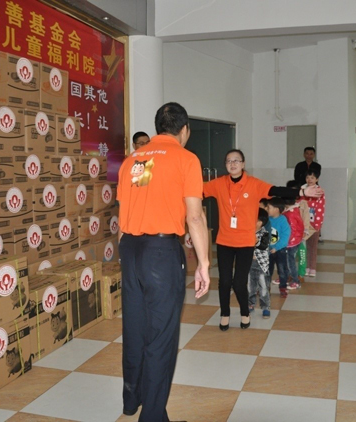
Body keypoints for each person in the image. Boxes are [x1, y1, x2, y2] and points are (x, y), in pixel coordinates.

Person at [117, 102, 210, 421]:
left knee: (135, 329)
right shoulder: (186, 159)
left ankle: (132, 399)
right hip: (160, 253)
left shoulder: (133, 160)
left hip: (130, 249)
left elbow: (122, 216)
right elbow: (195, 217)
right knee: (161, 338)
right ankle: (153, 416)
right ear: (184, 130)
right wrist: (204, 263)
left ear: (158, 127)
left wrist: (127, 258)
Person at [203, 150, 323, 330]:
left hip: (245, 241)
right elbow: (197, 190)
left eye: (236, 160)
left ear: (243, 164)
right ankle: (225, 314)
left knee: (239, 283)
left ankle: (244, 312)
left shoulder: (253, 184)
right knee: (225, 282)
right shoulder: (219, 184)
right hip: (224, 241)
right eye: (229, 161)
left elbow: (276, 190)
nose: (232, 164)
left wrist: (302, 191)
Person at [248, 208, 272, 318]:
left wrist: (254, 239)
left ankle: (265, 307)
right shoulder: (247, 232)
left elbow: (263, 246)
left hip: (262, 265)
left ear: (259, 222)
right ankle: (250, 304)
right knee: (250, 287)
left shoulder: (265, 234)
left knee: (263, 287)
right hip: (249, 265)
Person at [301, 169, 325, 277]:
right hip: (303, 223)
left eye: (312, 177)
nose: (309, 180)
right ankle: (305, 267)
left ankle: (312, 268)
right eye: (307, 177)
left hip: (314, 223)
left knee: (313, 247)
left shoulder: (320, 191)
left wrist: (317, 224)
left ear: (317, 179)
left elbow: (320, 208)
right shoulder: (302, 190)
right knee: (303, 247)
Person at [267, 198, 291, 298]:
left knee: (282, 270)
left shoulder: (283, 220)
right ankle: (265, 288)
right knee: (267, 270)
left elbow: (285, 236)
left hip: (280, 250)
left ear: (276, 209)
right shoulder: (267, 220)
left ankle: (283, 287)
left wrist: (277, 247)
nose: (267, 209)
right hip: (268, 250)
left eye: (269, 207)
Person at [283, 196, 304, 290]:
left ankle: (296, 281)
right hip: (295, 240)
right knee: (288, 261)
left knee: (290, 261)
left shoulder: (290, 213)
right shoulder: (295, 210)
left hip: (291, 242)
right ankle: (287, 277)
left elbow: (292, 229)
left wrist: (286, 240)